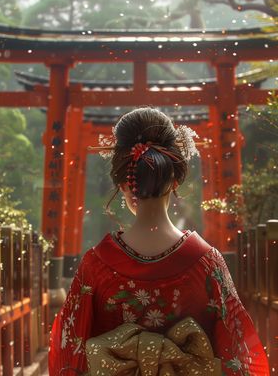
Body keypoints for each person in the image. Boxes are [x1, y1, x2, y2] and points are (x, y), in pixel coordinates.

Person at [49, 107, 269, 375]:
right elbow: (239, 356)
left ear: (123, 184)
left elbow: (69, 354)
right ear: (174, 179)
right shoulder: (207, 264)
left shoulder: (96, 266)